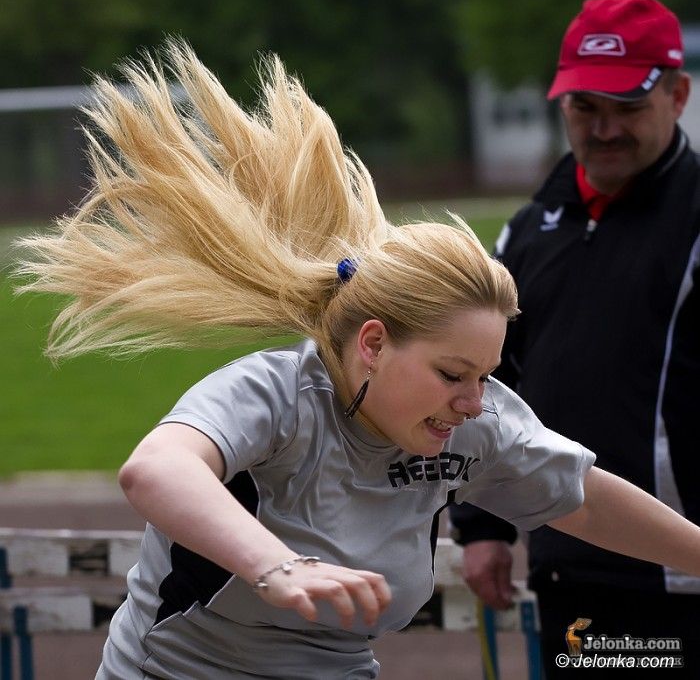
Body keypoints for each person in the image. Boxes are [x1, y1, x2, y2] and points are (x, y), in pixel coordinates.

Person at [15, 40, 700, 680]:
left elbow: (583, 499)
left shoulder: (472, 422)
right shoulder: (278, 395)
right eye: (452, 374)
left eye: (486, 376)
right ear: (372, 344)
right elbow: (156, 470)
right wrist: (279, 567)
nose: (474, 401)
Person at [448, 0, 700, 678]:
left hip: (685, 577)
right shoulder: (529, 230)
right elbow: (485, 385)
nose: (605, 128)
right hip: (570, 577)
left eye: (628, 107)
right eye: (586, 107)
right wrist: (484, 526)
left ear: (678, 96)